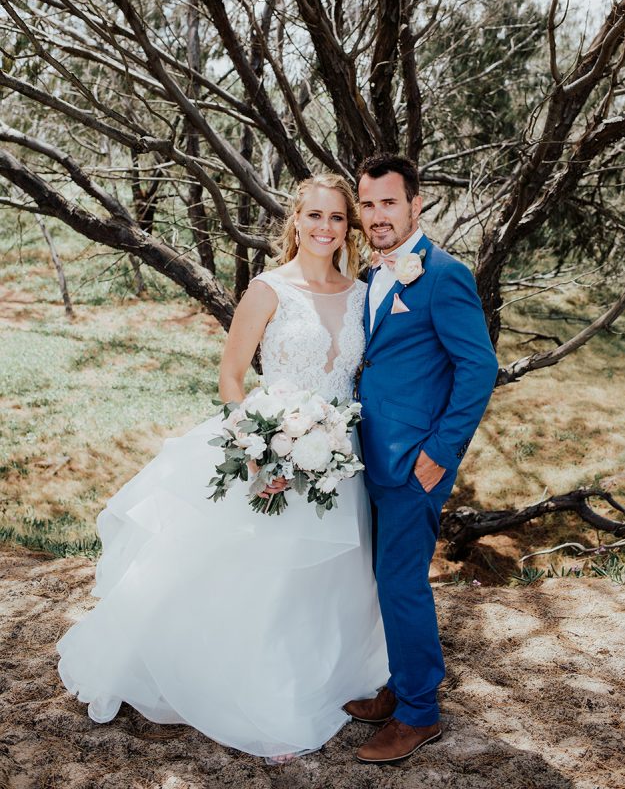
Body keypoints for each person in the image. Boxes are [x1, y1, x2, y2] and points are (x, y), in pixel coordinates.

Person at [57, 173, 388, 760]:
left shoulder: (364, 293)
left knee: (327, 579)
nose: (324, 227)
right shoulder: (268, 289)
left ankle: (323, 678)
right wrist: (261, 453)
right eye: (314, 215)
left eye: (336, 218)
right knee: (270, 575)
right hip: (272, 449)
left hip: (341, 456)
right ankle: (260, 698)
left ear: (349, 227)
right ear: (295, 221)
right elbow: (232, 378)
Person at [343, 153, 499, 764]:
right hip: (369, 456)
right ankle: (399, 684)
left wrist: (441, 451)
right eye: (369, 203)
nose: (378, 214)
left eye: (390, 202)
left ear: (416, 204)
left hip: (415, 462)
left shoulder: (443, 274)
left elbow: (479, 367)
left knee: (402, 582)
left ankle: (419, 714)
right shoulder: (373, 274)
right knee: (386, 579)